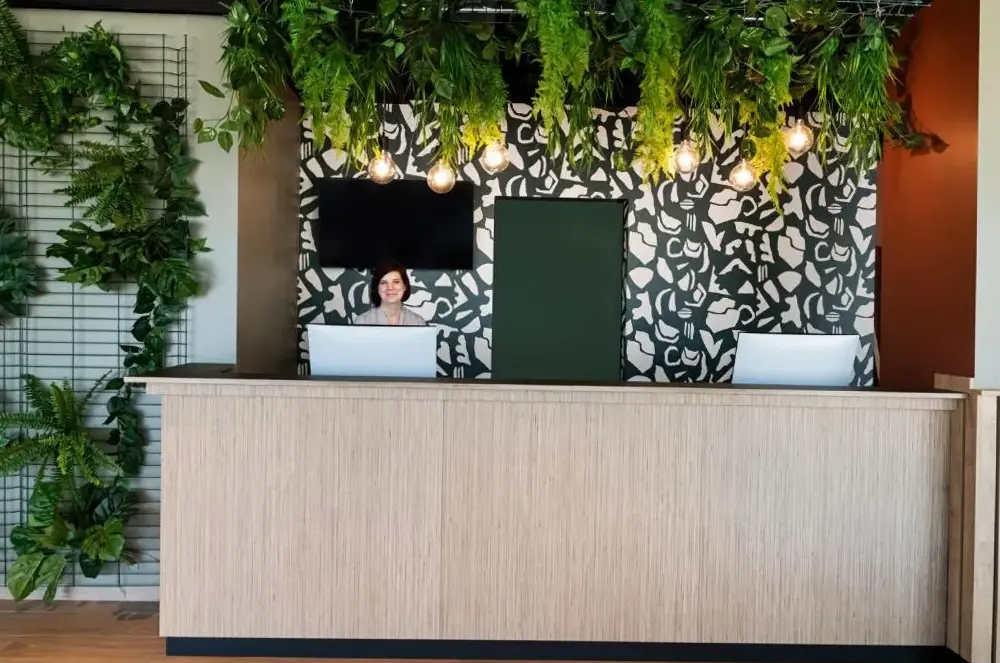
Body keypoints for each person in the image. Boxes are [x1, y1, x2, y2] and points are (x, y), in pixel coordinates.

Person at [354, 260, 428, 326]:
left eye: (396, 282)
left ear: (405, 286)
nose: (390, 287)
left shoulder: (418, 322)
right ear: (377, 288)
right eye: (383, 282)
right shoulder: (362, 322)